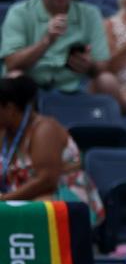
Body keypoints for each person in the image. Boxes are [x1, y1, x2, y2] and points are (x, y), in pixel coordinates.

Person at [0, 0, 121, 105]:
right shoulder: (19, 12)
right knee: (14, 78)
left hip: (76, 83)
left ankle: (116, 127)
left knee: (107, 80)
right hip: (32, 83)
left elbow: (103, 64)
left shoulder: (90, 13)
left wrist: (89, 65)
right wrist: (46, 41)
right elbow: (11, 63)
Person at [0, 76, 104, 225]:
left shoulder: (45, 129)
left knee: (39, 209)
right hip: (21, 199)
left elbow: (46, 181)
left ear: (9, 108)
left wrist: (4, 200)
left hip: (61, 196)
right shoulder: (4, 132)